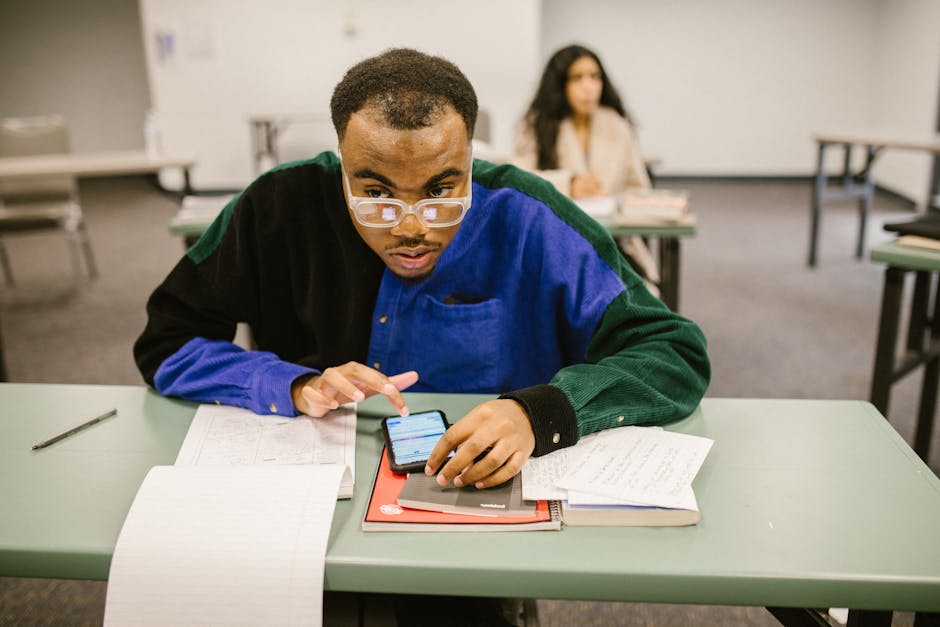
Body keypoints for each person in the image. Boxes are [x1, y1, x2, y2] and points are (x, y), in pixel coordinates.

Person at [134, 47, 709, 625]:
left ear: (470, 160)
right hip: (309, 523)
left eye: (440, 191)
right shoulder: (277, 205)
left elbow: (673, 350)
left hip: (469, 533)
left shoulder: (529, 217)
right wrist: (293, 385)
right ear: (341, 164)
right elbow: (168, 340)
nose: (412, 228)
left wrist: (541, 413)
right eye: (376, 195)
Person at [513, 44, 659, 289]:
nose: (589, 86)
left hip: (613, 244)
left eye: (595, 77)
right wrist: (569, 184)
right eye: (577, 78)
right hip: (553, 243)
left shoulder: (616, 125)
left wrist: (615, 201)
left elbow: (638, 188)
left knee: (638, 294)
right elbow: (519, 180)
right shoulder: (536, 125)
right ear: (560, 84)